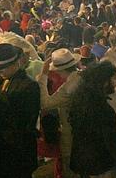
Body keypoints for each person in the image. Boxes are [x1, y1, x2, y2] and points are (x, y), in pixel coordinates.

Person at [0, 43, 41, 178]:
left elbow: (22, 122)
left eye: (2, 69)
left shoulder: (28, 85)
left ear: (16, 63)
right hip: (1, 148)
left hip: (18, 151)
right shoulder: (5, 81)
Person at [69, 62, 116, 177]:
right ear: (104, 81)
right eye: (114, 78)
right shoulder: (97, 106)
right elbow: (108, 138)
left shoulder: (84, 98)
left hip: (87, 163)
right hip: (100, 164)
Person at [36, 48, 82, 178]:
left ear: (59, 70)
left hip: (71, 135)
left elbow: (45, 103)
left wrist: (43, 75)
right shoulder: (82, 77)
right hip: (84, 132)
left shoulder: (67, 88)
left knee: (70, 169)